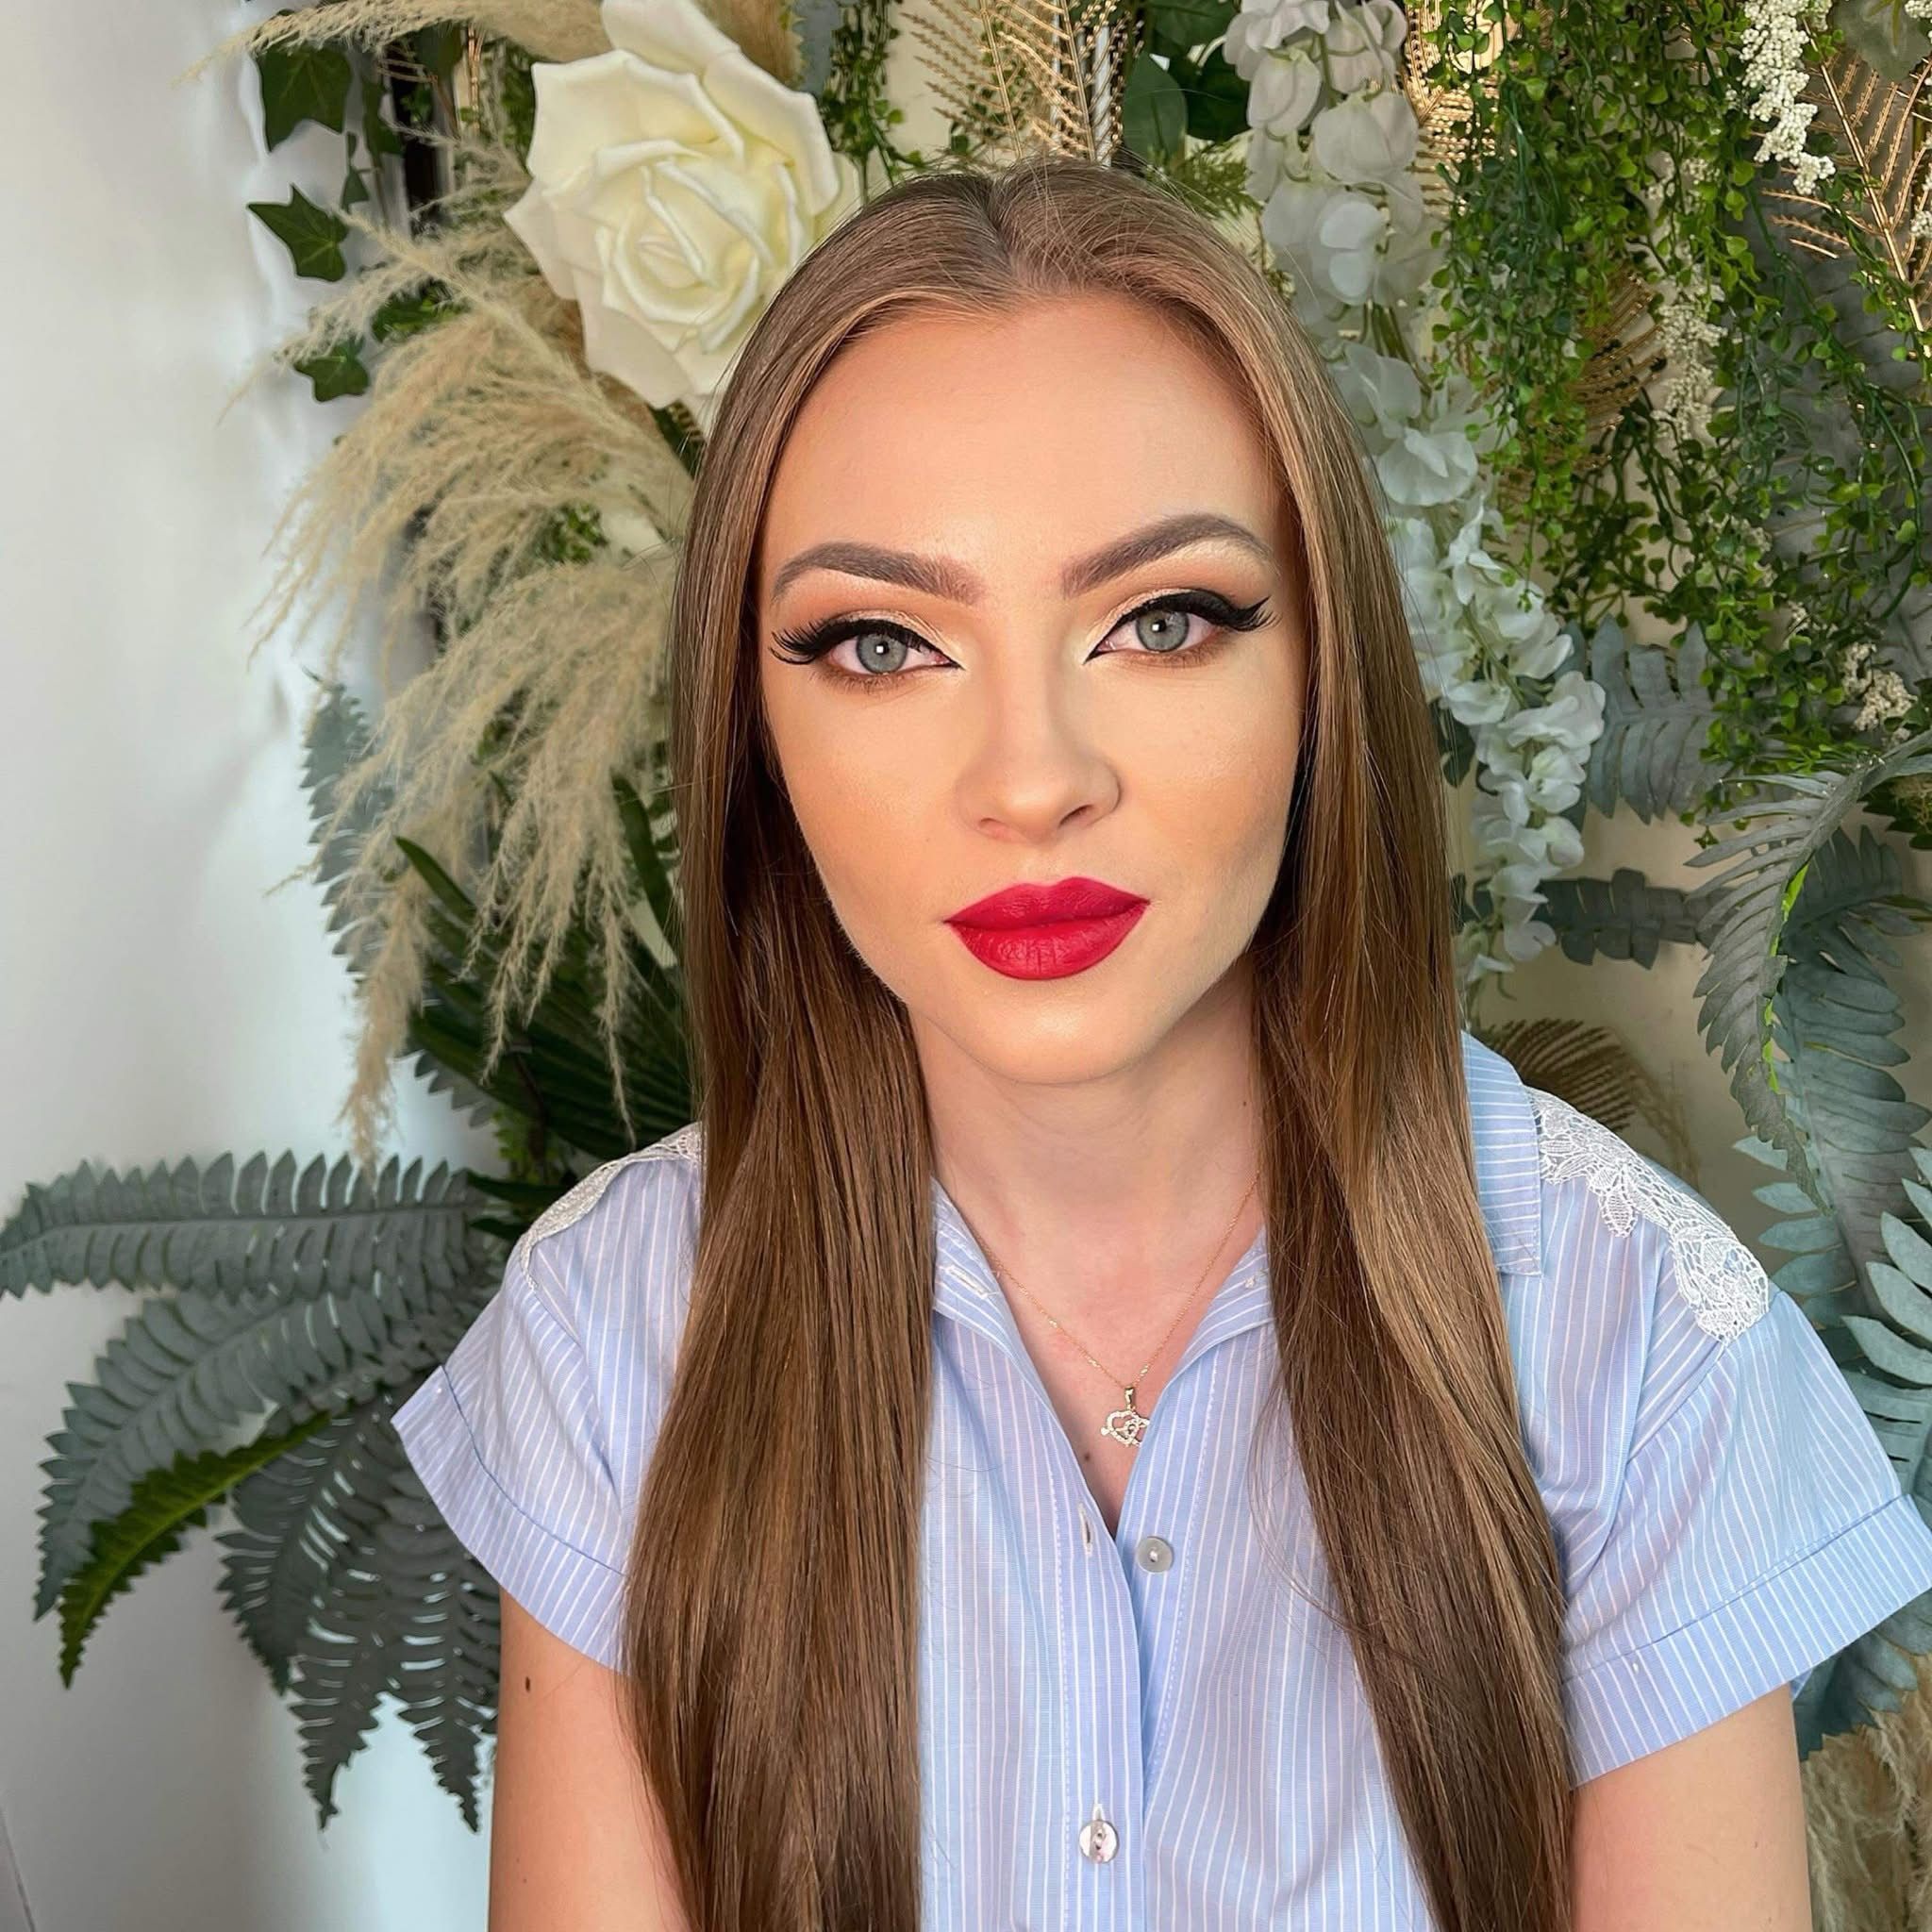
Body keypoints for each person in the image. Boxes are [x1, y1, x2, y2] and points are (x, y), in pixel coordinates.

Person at [391, 153, 1932, 1932]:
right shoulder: (616, 1338)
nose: (1033, 778)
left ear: (1320, 677)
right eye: (883, 643)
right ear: (754, 727)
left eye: (1162, 621)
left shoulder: (1638, 1344)